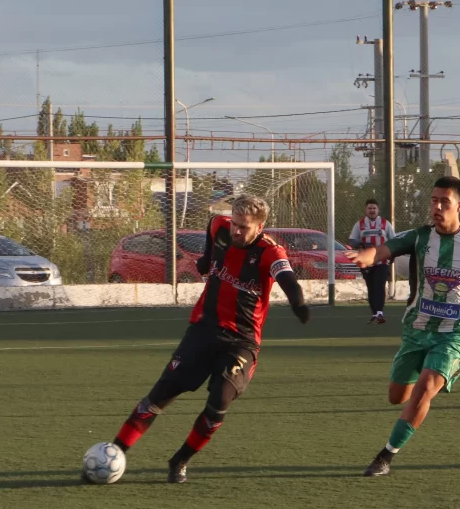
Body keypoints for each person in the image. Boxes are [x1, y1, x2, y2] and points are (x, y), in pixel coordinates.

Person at [108, 195, 310, 484]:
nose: (237, 231)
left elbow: (288, 279)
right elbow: (209, 242)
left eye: (245, 227)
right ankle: (114, 452)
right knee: (159, 396)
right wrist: (206, 258)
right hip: (203, 329)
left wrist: (298, 304)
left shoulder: (270, 252)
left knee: (218, 405)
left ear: (260, 226)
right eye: (236, 223)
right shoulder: (220, 226)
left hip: (241, 342)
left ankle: (180, 460)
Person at [346, 176, 460, 477]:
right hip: (416, 330)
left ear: (459, 206)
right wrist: (365, 257)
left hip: (455, 334)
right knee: (397, 396)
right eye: (433, 200)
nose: (436, 206)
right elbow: (384, 250)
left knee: (425, 389)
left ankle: (385, 457)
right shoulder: (419, 237)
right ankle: (417, 393)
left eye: (444, 202)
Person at [349, 198, 395, 324]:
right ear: (366, 210)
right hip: (366, 262)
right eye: (369, 208)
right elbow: (352, 240)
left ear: (378, 210)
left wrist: (392, 255)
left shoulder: (386, 224)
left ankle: (380, 312)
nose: (372, 210)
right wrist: (361, 243)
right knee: (371, 287)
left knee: (379, 286)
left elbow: (393, 240)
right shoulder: (360, 224)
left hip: (382, 261)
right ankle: (375, 313)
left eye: (374, 208)